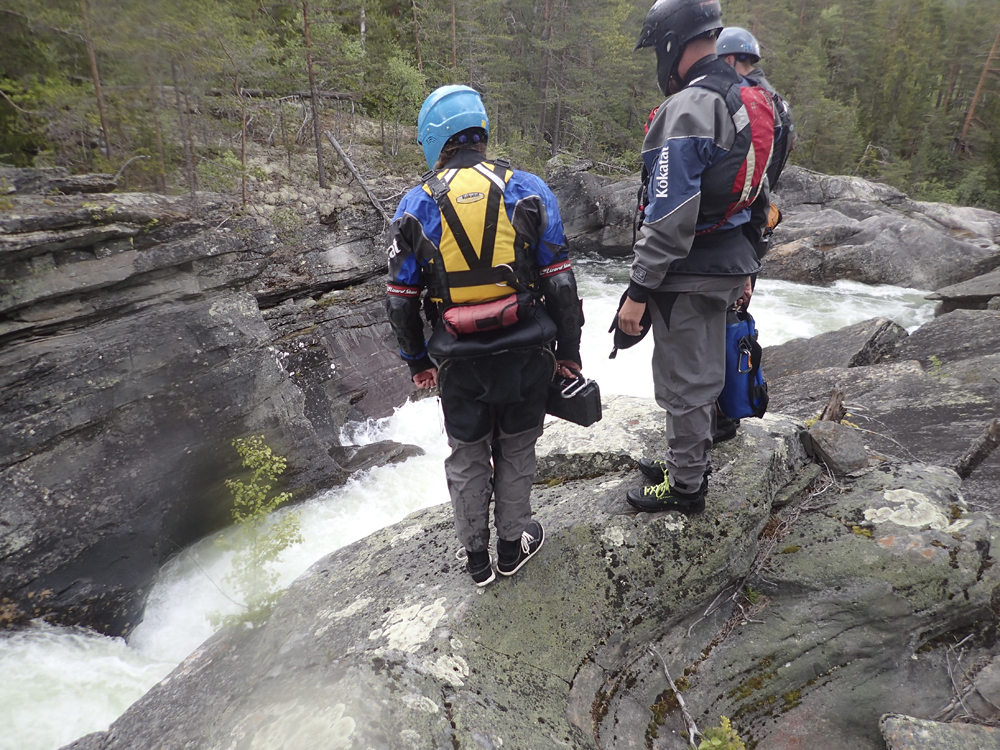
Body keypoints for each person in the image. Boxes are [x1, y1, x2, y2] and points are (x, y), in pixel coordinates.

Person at [385, 84, 584, 586]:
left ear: (435, 138)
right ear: (480, 130)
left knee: (468, 452)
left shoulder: (415, 204)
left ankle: (477, 561)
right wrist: (569, 352)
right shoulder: (529, 189)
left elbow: (400, 301)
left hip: (459, 361)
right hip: (527, 351)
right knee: (516, 448)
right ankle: (512, 549)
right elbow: (561, 284)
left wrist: (417, 362)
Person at [618, 0, 778, 513]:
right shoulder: (751, 98)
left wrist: (638, 290)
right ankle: (692, 454)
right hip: (732, 261)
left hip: (687, 271)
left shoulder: (691, 107)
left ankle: (685, 485)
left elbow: (669, 213)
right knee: (708, 364)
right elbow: (761, 193)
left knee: (684, 380)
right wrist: (752, 261)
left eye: (658, 51)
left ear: (673, 43)